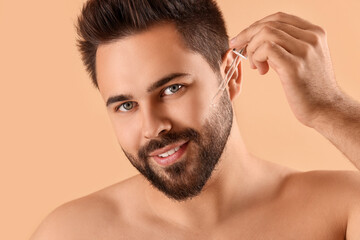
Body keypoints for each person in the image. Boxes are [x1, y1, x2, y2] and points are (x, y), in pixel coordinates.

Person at [30, 0, 360, 239]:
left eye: (172, 89)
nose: (152, 127)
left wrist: (330, 108)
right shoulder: (70, 233)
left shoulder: (339, 208)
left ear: (231, 77)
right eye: (126, 105)